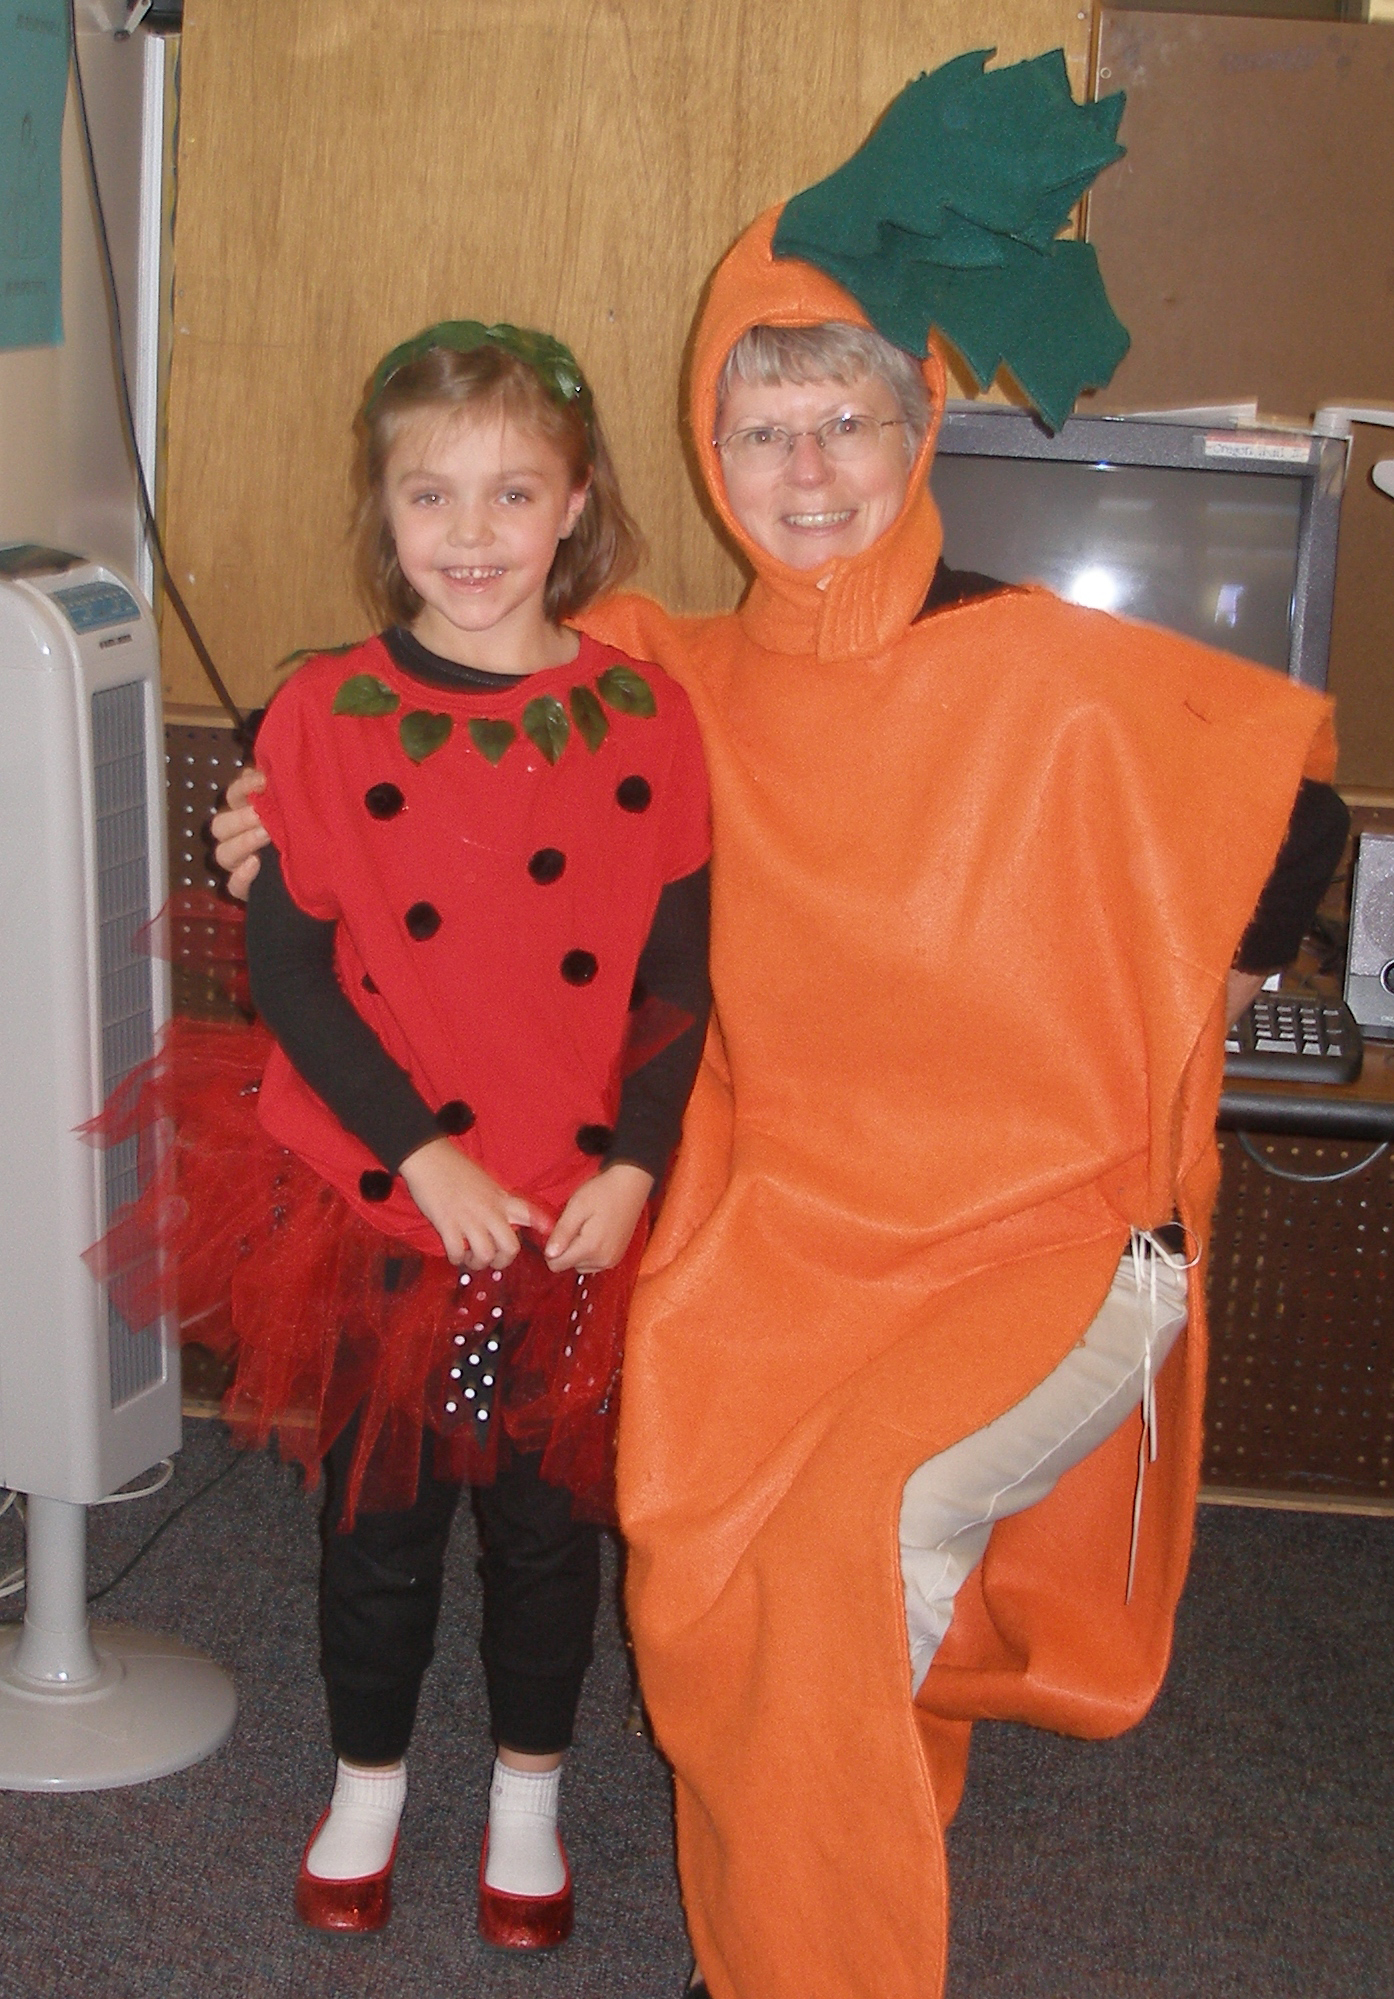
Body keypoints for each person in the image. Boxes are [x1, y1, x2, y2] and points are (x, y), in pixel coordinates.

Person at [212, 57, 1346, 1999]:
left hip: (1043, 1245)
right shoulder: (669, 677)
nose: (807, 468)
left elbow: (1294, 802)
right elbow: (427, 673)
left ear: (919, 435)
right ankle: (846, 1809)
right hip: (785, 1251)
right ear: (702, 449)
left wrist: (1221, 949)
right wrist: (268, 791)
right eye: (761, 428)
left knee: (833, 1551)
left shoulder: (1040, 669)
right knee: (700, 1546)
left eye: (849, 421)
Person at [111, 321, 711, 1946]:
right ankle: (366, 1779)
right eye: (429, 494)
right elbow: (293, 976)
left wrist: (636, 1164)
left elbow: (674, 976)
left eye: (511, 493)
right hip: (378, 1204)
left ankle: (528, 1796)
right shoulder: (325, 712)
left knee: (539, 1527)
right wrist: (417, 1161)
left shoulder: (645, 721)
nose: (468, 533)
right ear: (383, 511)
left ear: (575, 506)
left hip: (571, 1210)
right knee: (376, 1525)